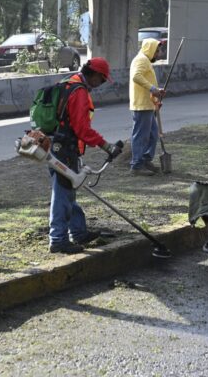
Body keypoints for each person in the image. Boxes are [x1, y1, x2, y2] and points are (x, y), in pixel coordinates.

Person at [48, 57, 122, 254]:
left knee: (69, 191)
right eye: (103, 79)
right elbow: (82, 129)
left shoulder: (69, 82)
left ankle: (79, 232)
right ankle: (58, 239)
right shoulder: (79, 92)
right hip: (65, 149)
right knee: (63, 194)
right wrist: (106, 146)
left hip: (55, 144)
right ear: (96, 75)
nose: (102, 84)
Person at [129, 38, 166, 176]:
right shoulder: (141, 60)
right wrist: (152, 89)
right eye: (156, 51)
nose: (158, 54)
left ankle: (145, 160)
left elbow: (145, 80)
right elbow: (136, 77)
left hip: (148, 104)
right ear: (149, 49)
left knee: (152, 135)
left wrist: (157, 90)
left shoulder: (144, 60)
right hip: (141, 105)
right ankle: (136, 165)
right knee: (141, 136)